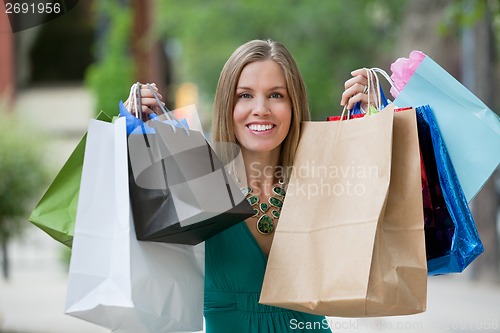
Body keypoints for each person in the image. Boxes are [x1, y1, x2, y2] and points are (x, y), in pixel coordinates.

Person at [125, 39, 372, 333]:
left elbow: (385, 238)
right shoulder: (194, 179)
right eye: (245, 95)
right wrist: (132, 136)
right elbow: (131, 245)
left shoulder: (323, 177)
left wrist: (375, 121)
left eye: (276, 95)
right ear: (227, 104)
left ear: (294, 104)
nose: (260, 109)